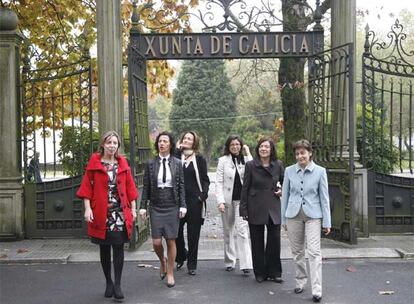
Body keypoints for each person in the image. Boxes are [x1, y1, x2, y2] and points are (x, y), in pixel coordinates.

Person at [76, 131, 138, 301]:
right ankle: (108, 282)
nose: (112, 145)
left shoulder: (122, 163)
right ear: (103, 144)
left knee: (118, 247)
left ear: (118, 146)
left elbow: (130, 188)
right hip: (101, 213)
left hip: (119, 213)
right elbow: (87, 188)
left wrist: (133, 209)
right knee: (104, 248)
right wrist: (87, 209)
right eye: (109, 142)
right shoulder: (95, 163)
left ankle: (117, 284)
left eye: (115, 143)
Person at [281, 139, 331, 303]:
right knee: (297, 252)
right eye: (297, 153)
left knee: (314, 252)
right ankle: (300, 281)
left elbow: (324, 198)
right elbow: (285, 196)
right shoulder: (289, 171)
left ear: (310, 153)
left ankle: (317, 289)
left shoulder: (320, 171)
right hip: (293, 215)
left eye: (303, 152)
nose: (300, 156)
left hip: (313, 215)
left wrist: (327, 222)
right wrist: (283, 219)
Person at [139, 131, 186, 288]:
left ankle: (170, 272)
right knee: (157, 242)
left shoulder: (177, 163)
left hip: (172, 205)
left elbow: (181, 186)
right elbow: (146, 187)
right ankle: (162, 261)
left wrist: (183, 205)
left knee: (171, 240)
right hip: (156, 205)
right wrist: (142, 207)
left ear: (170, 144)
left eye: (165, 141)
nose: (162, 143)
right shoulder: (151, 164)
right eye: (160, 141)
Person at [240, 137, 284, 283]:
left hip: (273, 205)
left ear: (271, 150)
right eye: (261, 146)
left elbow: (284, 182)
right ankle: (260, 272)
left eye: (266, 147)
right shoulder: (251, 165)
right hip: (255, 205)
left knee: (274, 240)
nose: (263, 149)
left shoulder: (278, 165)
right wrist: (243, 209)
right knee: (257, 241)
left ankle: (275, 272)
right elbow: (245, 188)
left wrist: (281, 189)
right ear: (258, 149)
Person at [215, 135, 253, 274]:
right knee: (228, 231)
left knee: (242, 231)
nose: (235, 147)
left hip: (242, 202)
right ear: (228, 146)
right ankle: (230, 261)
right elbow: (218, 182)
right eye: (232, 144)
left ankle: (246, 263)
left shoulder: (246, 160)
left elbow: (254, 168)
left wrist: (248, 153)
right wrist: (220, 201)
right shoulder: (223, 161)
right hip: (227, 201)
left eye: (237, 144)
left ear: (241, 145)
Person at [175, 131, 210, 276]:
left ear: (194, 142)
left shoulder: (199, 158)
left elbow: (205, 179)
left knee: (193, 233)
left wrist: (202, 196)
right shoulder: (177, 156)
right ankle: (182, 254)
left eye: (190, 139)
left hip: (195, 201)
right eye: (185, 138)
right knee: (176, 231)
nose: (187, 140)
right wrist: (177, 150)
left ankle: (192, 264)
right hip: (178, 200)